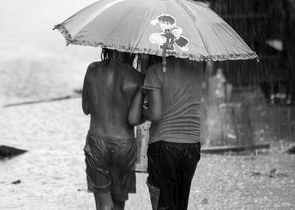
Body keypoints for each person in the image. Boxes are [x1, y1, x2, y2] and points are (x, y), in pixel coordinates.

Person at [81, 48, 144, 210]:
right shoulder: (138, 78)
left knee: (103, 204)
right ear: (132, 50)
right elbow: (133, 119)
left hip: (97, 140)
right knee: (118, 204)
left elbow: (86, 108)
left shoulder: (92, 69)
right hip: (124, 144)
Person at [141, 56, 204, 210]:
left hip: (164, 145)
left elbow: (155, 115)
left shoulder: (155, 72)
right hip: (192, 146)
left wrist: (141, 109)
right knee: (180, 204)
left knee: (163, 204)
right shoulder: (195, 71)